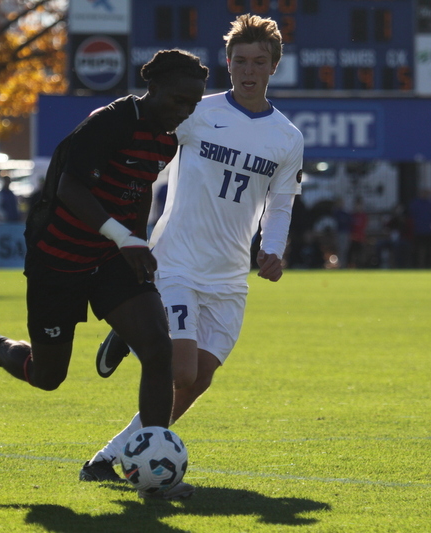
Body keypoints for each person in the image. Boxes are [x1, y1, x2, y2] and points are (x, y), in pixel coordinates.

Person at [0, 50, 209, 500]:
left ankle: (152, 475)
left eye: (192, 104)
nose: (184, 111)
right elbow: (69, 188)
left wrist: (136, 241)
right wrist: (121, 236)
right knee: (48, 376)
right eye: (178, 100)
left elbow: (137, 192)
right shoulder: (108, 123)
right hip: (58, 261)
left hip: (111, 258)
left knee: (157, 348)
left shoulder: (165, 138)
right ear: (153, 89)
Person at [80, 14, 304, 497]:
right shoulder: (196, 113)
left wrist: (272, 250)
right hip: (177, 262)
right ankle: (132, 333)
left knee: (197, 380)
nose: (248, 70)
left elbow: (280, 202)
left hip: (229, 278)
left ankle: (109, 459)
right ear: (227, 63)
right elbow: (142, 141)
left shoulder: (287, 138)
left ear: (273, 67)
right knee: (178, 369)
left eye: (258, 62)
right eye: (240, 60)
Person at [408, 189, 431, 268]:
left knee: (429, 250)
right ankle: (415, 266)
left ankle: (428, 266)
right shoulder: (415, 204)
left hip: (428, 231)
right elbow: (410, 216)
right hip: (418, 231)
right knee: (416, 250)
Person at [346, 196, 368, 268]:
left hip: (360, 238)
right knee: (350, 254)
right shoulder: (352, 216)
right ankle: (350, 267)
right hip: (353, 238)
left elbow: (363, 226)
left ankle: (361, 267)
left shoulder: (363, 216)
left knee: (360, 255)